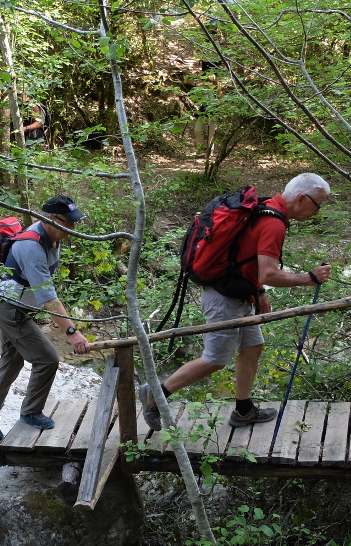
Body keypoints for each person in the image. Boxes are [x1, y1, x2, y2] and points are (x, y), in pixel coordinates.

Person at [140, 172, 333, 430]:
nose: (317, 212)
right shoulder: (273, 223)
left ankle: (243, 410)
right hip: (224, 297)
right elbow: (269, 273)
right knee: (216, 359)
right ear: (301, 198)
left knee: (253, 346)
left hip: (239, 292)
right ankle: (155, 393)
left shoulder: (266, 208)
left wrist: (259, 292)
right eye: (317, 205)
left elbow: (245, 257)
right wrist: (308, 278)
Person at [0, 195, 91, 441]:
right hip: (9, 309)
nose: (72, 229)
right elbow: (49, 297)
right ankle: (31, 411)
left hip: (16, 306)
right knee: (48, 359)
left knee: (12, 359)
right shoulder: (32, 247)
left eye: (73, 223)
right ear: (50, 219)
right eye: (67, 223)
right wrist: (72, 333)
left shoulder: (52, 237)